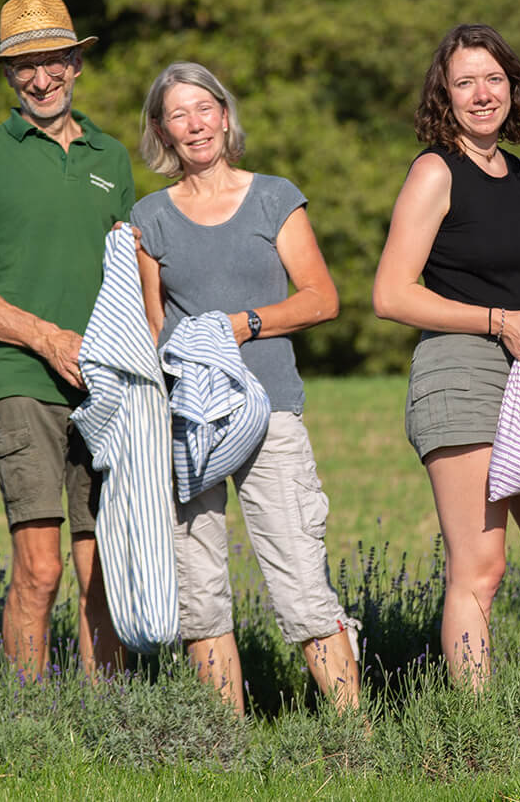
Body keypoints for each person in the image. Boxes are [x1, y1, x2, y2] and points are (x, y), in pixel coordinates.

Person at [372, 24, 520, 686]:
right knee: (481, 570)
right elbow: (391, 293)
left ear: (513, 86)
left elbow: (516, 278)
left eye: (494, 78)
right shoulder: (434, 170)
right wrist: (497, 320)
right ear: (444, 92)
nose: (483, 93)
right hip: (459, 371)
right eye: (466, 80)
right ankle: (482, 740)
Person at [130, 62, 360, 713]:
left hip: (269, 409)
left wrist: (243, 324)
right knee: (198, 586)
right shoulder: (149, 217)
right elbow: (152, 328)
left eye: (205, 107)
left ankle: (358, 740)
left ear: (226, 115)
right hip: (188, 419)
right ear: (161, 130)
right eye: (179, 113)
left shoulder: (273, 197)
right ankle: (224, 745)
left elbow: (322, 299)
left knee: (299, 577)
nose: (195, 123)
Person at [0, 0, 128, 678]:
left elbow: (137, 279)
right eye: (24, 66)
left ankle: (112, 729)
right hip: (24, 382)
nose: (40, 79)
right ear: (7, 76)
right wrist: (45, 338)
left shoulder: (113, 158)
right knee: (41, 569)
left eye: (53, 61)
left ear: (77, 63)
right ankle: (26, 732)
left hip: (107, 390)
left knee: (105, 571)